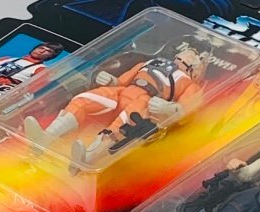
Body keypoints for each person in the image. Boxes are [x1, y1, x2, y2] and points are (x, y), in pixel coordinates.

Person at [22, 44, 209, 165]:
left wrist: (168, 108)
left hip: (146, 102)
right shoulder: (150, 63)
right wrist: (110, 80)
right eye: (184, 55)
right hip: (122, 92)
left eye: (192, 57)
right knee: (83, 99)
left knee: (124, 124)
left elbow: (185, 112)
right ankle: (46, 136)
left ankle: (89, 157)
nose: (186, 57)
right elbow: (122, 81)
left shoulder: (191, 86)